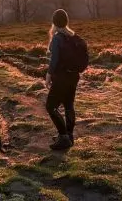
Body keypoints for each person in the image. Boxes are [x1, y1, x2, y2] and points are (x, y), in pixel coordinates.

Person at [45, 8, 81, 150]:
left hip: (61, 78)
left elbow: (54, 60)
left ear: (54, 22)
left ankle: (63, 136)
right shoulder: (73, 36)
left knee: (50, 106)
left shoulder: (57, 38)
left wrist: (48, 75)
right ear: (66, 21)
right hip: (73, 76)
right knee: (68, 105)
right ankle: (68, 136)